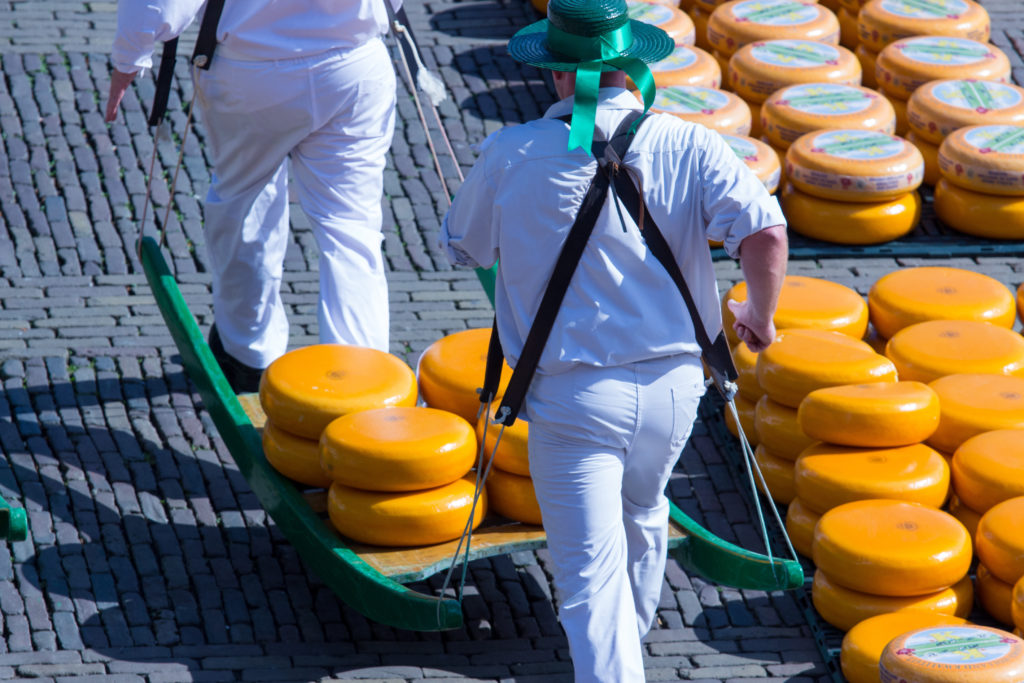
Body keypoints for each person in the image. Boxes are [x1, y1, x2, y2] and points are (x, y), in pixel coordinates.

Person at [440, 0, 788, 679]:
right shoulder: (689, 142)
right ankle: (628, 642)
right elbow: (766, 233)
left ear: (561, 74)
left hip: (573, 397)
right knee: (645, 508)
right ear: (632, 66)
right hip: (676, 390)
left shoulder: (511, 152)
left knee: (589, 579)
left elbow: (465, 245)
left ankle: (616, 662)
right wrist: (761, 315)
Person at [105, 0, 399, 392]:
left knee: (243, 203)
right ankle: (361, 381)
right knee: (352, 228)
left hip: (253, 69)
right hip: (354, 62)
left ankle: (248, 354)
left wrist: (130, 55)